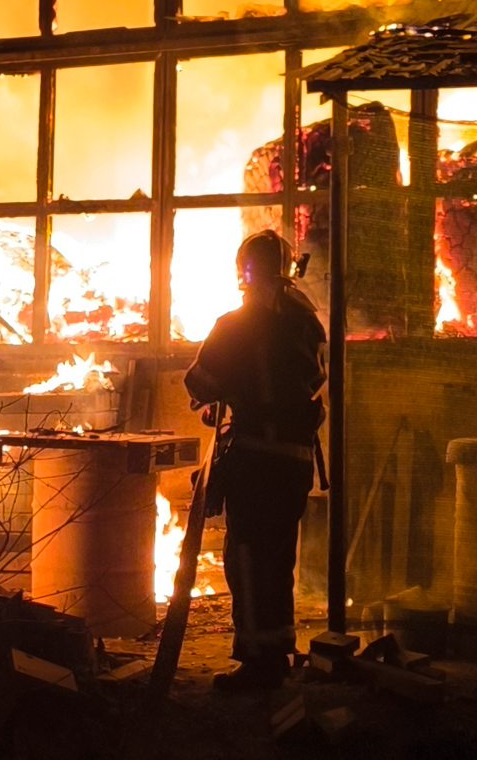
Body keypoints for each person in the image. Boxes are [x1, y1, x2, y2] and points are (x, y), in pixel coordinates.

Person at [182, 228, 328, 692]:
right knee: (279, 557)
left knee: (246, 557)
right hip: (295, 461)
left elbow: (199, 380)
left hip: (255, 459)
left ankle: (257, 663)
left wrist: (226, 392)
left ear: (244, 271)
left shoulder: (234, 324)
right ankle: (279, 653)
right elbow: (310, 378)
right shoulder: (309, 322)